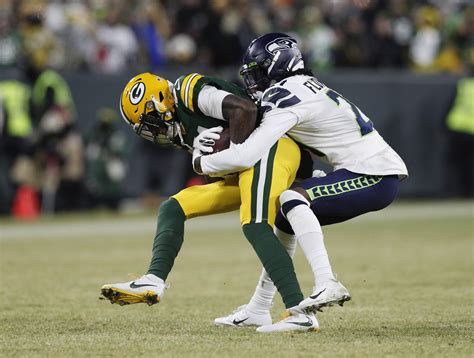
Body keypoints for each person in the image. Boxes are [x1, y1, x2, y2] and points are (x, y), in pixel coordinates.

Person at [193, 33, 408, 333]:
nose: (253, 80)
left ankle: (327, 281)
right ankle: (260, 308)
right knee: (286, 215)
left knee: (291, 199)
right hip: (365, 169)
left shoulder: (283, 95)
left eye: (257, 70)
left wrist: (202, 162)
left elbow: (247, 155)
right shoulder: (305, 86)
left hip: (373, 173)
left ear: (277, 64)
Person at [100, 72, 320, 332]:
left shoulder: (187, 91)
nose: (155, 131)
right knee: (174, 206)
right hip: (249, 164)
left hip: (272, 148)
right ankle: (154, 279)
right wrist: (216, 159)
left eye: (152, 121)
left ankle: (299, 312)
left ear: (161, 101)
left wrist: (228, 152)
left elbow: (244, 109)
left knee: (255, 223)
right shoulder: (181, 130)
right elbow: (222, 165)